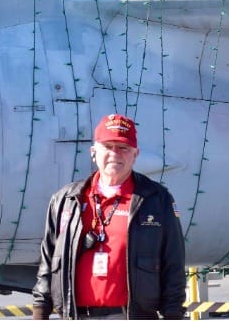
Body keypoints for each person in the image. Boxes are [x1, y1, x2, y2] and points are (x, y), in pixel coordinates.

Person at [32, 113, 186, 319]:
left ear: (135, 154)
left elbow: (173, 264)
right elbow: (48, 262)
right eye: (108, 146)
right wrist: (40, 312)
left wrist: (173, 315)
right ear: (94, 152)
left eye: (123, 147)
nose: (115, 153)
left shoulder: (156, 200)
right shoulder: (65, 200)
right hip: (77, 315)